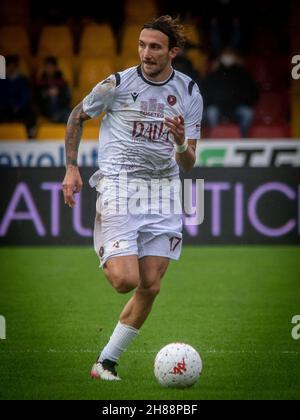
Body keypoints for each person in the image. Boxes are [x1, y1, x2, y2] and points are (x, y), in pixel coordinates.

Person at [62, 15, 203, 381]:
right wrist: (72, 168)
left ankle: (105, 363)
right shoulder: (118, 84)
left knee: (150, 285)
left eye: (155, 47)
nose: (146, 53)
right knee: (125, 280)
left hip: (164, 190)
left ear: (172, 51)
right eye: (142, 45)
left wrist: (179, 142)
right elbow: (77, 116)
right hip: (120, 184)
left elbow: (188, 163)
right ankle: (109, 244)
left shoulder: (189, 92)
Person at [202, 47, 259, 137]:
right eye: (226, 55)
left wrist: (242, 102)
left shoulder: (243, 73)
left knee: (247, 113)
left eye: (230, 54)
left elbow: (252, 92)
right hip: (218, 108)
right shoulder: (213, 74)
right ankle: (214, 138)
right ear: (220, 57)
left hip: (236, 108)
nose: (228, 58)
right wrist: (214, 102)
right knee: (211, 112)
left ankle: (243, 139)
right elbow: (205, 93)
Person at [0, 55, 36, 137]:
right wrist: (9, 104)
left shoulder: (23, 80)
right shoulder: (2, 81)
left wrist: (18, 105)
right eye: (9, 67)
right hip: (5, 107)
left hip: (20, 108)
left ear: (17, 68)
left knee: (31, 112)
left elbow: (25, 95)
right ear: (6, 68)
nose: (11, 69)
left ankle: (30, 134)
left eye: (14, 67)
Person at [36, 56, 71, 123]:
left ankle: (57, 116)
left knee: (69, 115)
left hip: (61, 107)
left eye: (51, 67)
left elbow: (67, 97)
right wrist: (46, 93)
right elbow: (37, 98)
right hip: (45, 110)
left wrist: (59, 92)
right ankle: (56, 116)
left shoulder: (62, 81)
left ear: (55, 68)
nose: (49, 69)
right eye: (47, 67)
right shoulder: (40, 82)